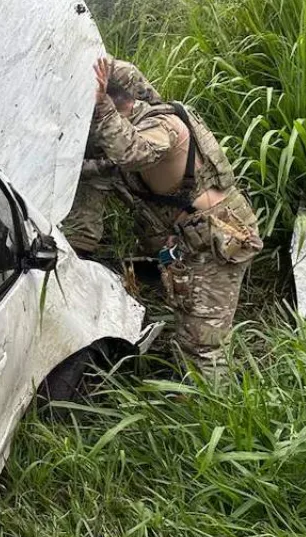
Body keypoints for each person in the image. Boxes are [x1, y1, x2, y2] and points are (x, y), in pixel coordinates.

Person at [88, 58, 262, 370]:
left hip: (218, 241)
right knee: (186, 322)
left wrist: (100, 106)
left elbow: (131, 152)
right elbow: (105, 163)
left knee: (203, 345)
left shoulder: (162, 126)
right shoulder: (138, 119)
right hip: (193, 243)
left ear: (120, 104)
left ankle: (215, 411)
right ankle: (191, 383)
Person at [63, 58, 162, 256]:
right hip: (90, 163)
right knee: (80, 236)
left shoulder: (122, 74)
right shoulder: (50, 86)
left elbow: (156, 113)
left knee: (156, 221)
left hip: (130, 150)